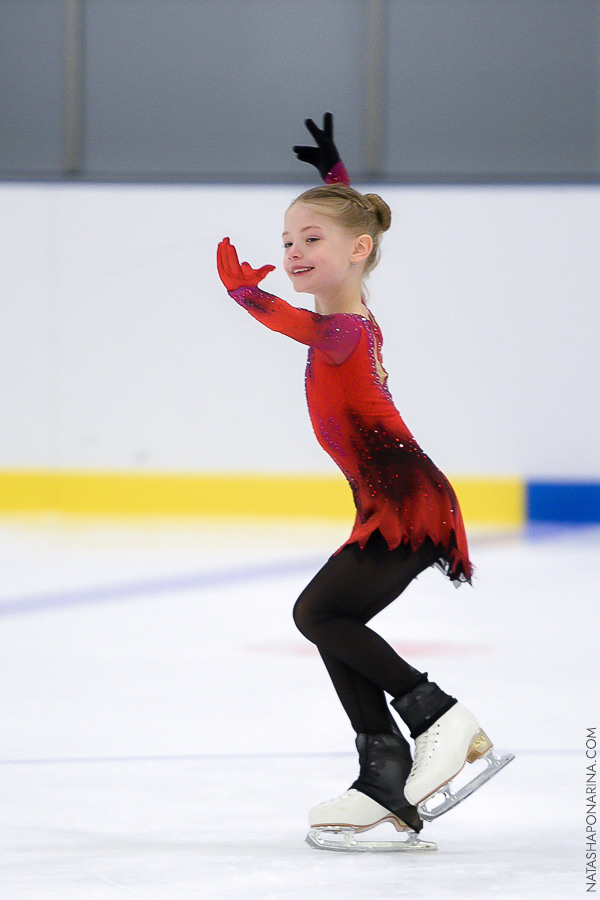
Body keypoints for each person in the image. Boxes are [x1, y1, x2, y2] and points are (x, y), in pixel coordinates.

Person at [216, 115, 512, 852]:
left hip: (408, 501)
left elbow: (297, 321)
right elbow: (348, 235)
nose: (290, 252)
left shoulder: (340, 330)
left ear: (358, 251)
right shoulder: (352, 308)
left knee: (319, 613)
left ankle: (437, 717)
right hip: (393, 496)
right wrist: (335, 177)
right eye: (286, 241)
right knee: (327, 616)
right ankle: (382, 765)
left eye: (308, 240)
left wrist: (243, 294)